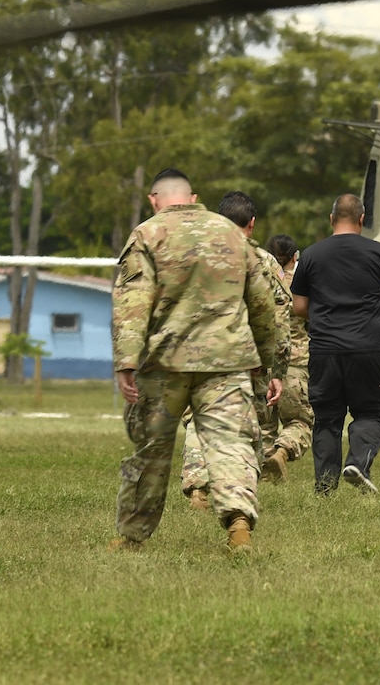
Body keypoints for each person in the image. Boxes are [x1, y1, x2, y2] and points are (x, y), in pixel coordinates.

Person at [110, 168, 284, 554]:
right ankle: (239, 529)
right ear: (192, 197)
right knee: (231, 444)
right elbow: (261, 302)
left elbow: (133, 302)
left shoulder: (147, 234)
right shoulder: (230, 233)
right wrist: (265, 361)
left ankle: (133, 537)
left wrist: (126, 361)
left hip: (166, 363)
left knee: (152, 449)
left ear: (154, 199)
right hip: (227, 360)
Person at [291, 193, 380, 497]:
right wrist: (370, 313)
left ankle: (325, 487)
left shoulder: (312, 255)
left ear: (331, 219)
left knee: (327, 418)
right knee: (370, 413)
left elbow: (299, 305)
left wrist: (325, 315)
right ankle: (358, 463)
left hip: (325, 348)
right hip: (368, 347)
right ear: (362, 218)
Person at [181, 191, 291, 505]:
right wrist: (277, 370)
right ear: (252, 224)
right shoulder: (265, 262)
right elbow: (280, 316)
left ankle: (197, 483)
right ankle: (235, 491)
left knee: (200, 415)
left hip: (201, 353)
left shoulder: (197, 256)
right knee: (246, 422)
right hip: (249, 356)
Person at [260, 234, 313, 483]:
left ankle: (264, 474)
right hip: (295, 362)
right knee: (300, 421)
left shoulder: (259, 281)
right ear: (295, 256)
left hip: (261, 363)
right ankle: (283, 452)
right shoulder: (303, 284)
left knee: (263, 426)